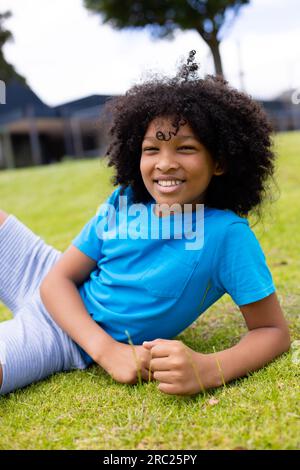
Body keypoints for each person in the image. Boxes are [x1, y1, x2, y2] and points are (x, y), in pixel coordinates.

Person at [0, 52, 290, 396]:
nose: (164, 164)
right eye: (152, 149)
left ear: (220, 162)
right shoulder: (125, 200)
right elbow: (55, 281)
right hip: (50, 280)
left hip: (59, 335)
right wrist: (108, 352)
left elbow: (272, 331)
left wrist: (209, 370)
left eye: (186, 148)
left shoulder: (226, 237)